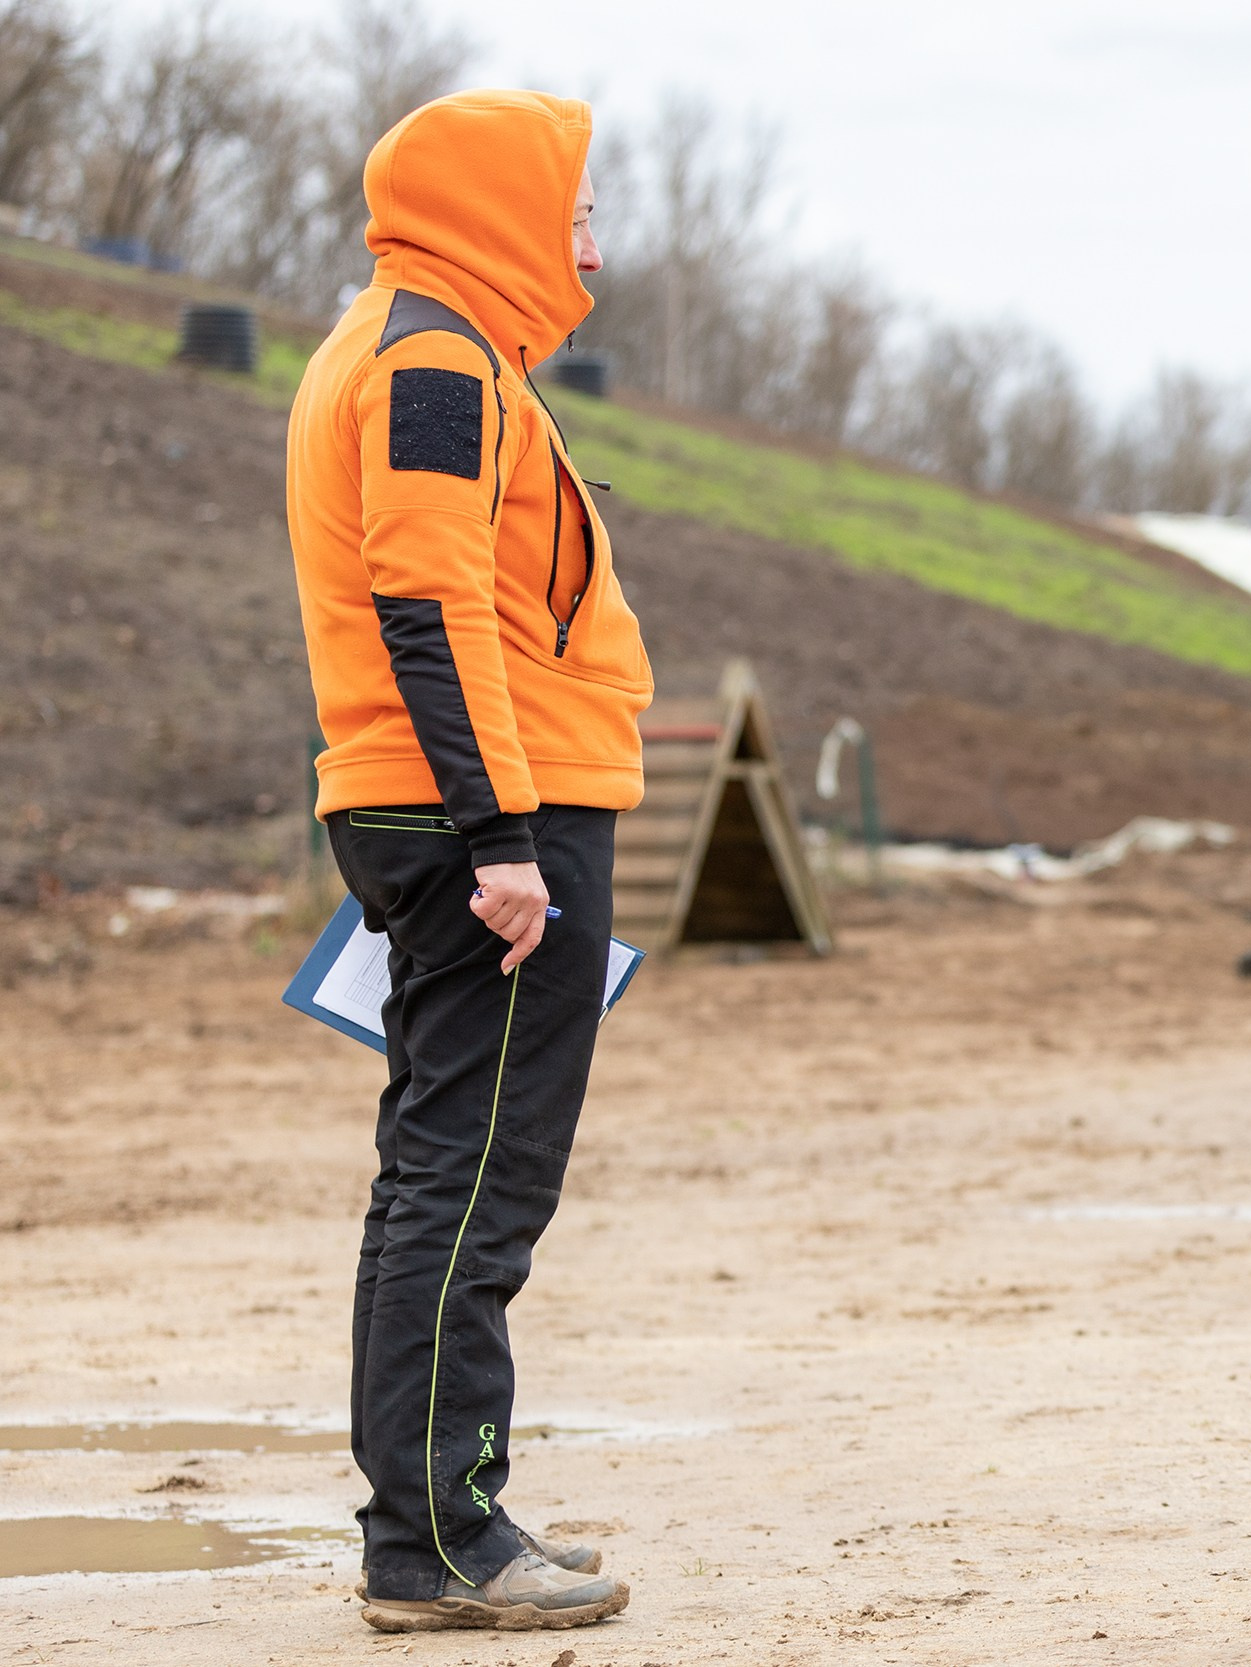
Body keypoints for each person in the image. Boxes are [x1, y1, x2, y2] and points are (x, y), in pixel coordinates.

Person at [286, 89, 651, 1630]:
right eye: (570, 206)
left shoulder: (417, 345)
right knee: (475, 1175)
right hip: (481, 814)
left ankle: (439, 1513)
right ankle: (435, 1542)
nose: (588, 238)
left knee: (446, 1166)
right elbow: (424, 599)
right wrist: (503, 837)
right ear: (498, 207)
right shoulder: (433, 360)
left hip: (448, 801)